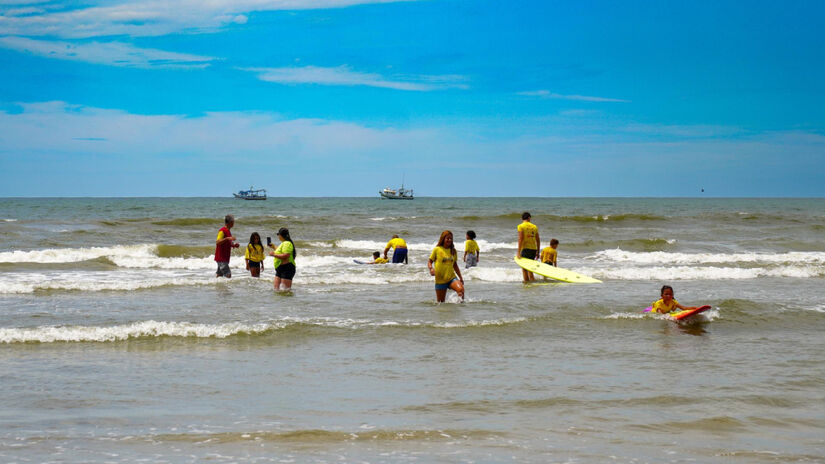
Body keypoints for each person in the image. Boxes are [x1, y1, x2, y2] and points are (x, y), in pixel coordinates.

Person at [427, 230, 465, 303]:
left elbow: (455, 265)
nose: (449, 240)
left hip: (451, 278)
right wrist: (431, 268)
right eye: (447, 238)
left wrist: (460, 277)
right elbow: (430, 261)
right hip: (440, 280)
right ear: (443, 239)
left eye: (451, 238)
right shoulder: (437, 249)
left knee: (461, 290)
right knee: (441, 303)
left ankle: (459, 308)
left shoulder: (453, 251)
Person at [516, 211, 540, 282]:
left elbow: (520, 239)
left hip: (525, 249)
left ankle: (526, 283)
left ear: (522, 218)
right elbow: (538, 240)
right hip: (533, 249)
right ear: (529, 218)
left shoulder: (521, 226)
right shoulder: (534, 227)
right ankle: (532, 283)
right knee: (530, 268)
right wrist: (538, 251)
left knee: (524, 269)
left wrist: (518, 252)